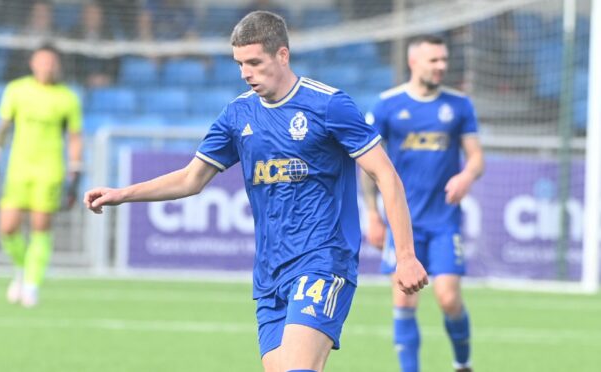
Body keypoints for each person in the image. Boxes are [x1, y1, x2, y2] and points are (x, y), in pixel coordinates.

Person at [83, 11, 427, 372]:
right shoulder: (237, 115)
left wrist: (404, 255)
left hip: (323, 260)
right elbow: (190, 179)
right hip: (269, 272)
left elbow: (386, 175)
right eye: (239, 64)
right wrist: (123, 194)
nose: (245, 73)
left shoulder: (328, 105)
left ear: (282, 55)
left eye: (254, 62)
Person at [361, 34, 484, 372]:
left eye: (444, 60)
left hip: (444, 222)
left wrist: (466, 176)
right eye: (434, 60)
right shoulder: (387, 105)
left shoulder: (459, 106)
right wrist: (372, 214)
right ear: (414, 62)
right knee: (404, 300)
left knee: (448, 298)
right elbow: (368, 166)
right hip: (403, 225)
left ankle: (463, 363)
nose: (441, 66)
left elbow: (476, 159)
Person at [0, 44, 83, 308]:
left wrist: (75, 170)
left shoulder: (67, 97)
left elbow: (74, 137)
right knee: (8, 228)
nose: (47, 67)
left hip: (50, 170)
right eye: (42, 61)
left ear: (57, 65)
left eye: (51, 62)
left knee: (40, 227)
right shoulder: (17, 90)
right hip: (19, 168)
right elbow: (2, 126)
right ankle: (21, 268)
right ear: (33, 63)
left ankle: (32, 283)